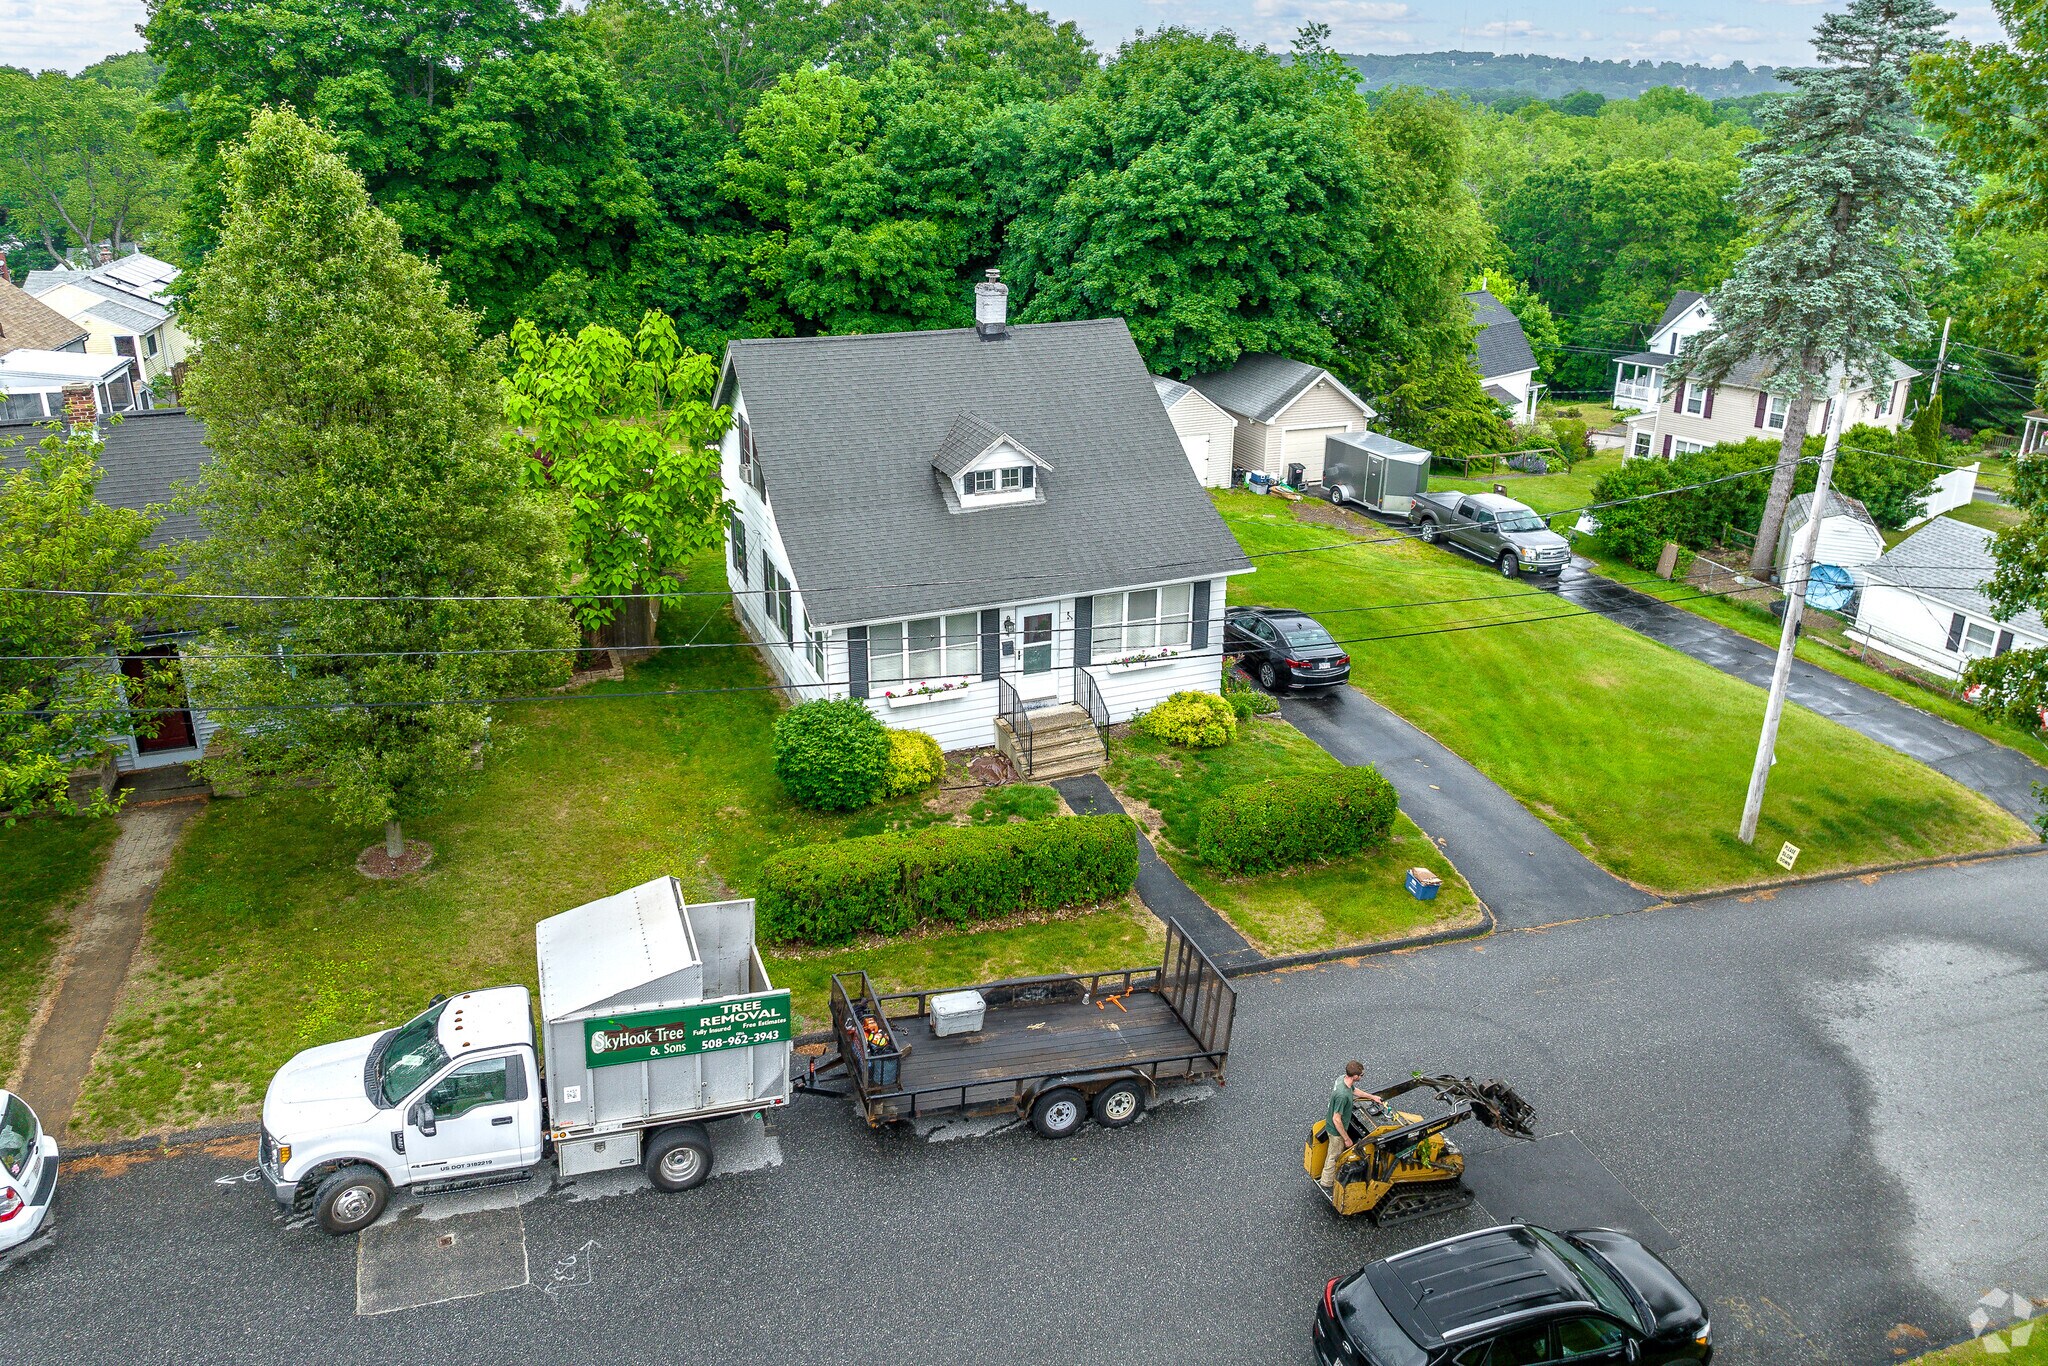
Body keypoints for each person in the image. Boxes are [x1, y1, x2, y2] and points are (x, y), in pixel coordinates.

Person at [1320, 1061, 1381, 1191]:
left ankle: (1329, 1178)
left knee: (1334, 1152)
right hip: (1336, 1131)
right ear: (1355, 1076)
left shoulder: (1343, 1079)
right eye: (1361, 1075)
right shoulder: (1342, 1095)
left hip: (1334, 1126)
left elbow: (1355, 1091)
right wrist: (1346, 1138)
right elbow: (1336, 1119)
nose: (1362, 1077)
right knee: (1334, 1155)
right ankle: (1326, 1183)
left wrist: (1372, 1097)